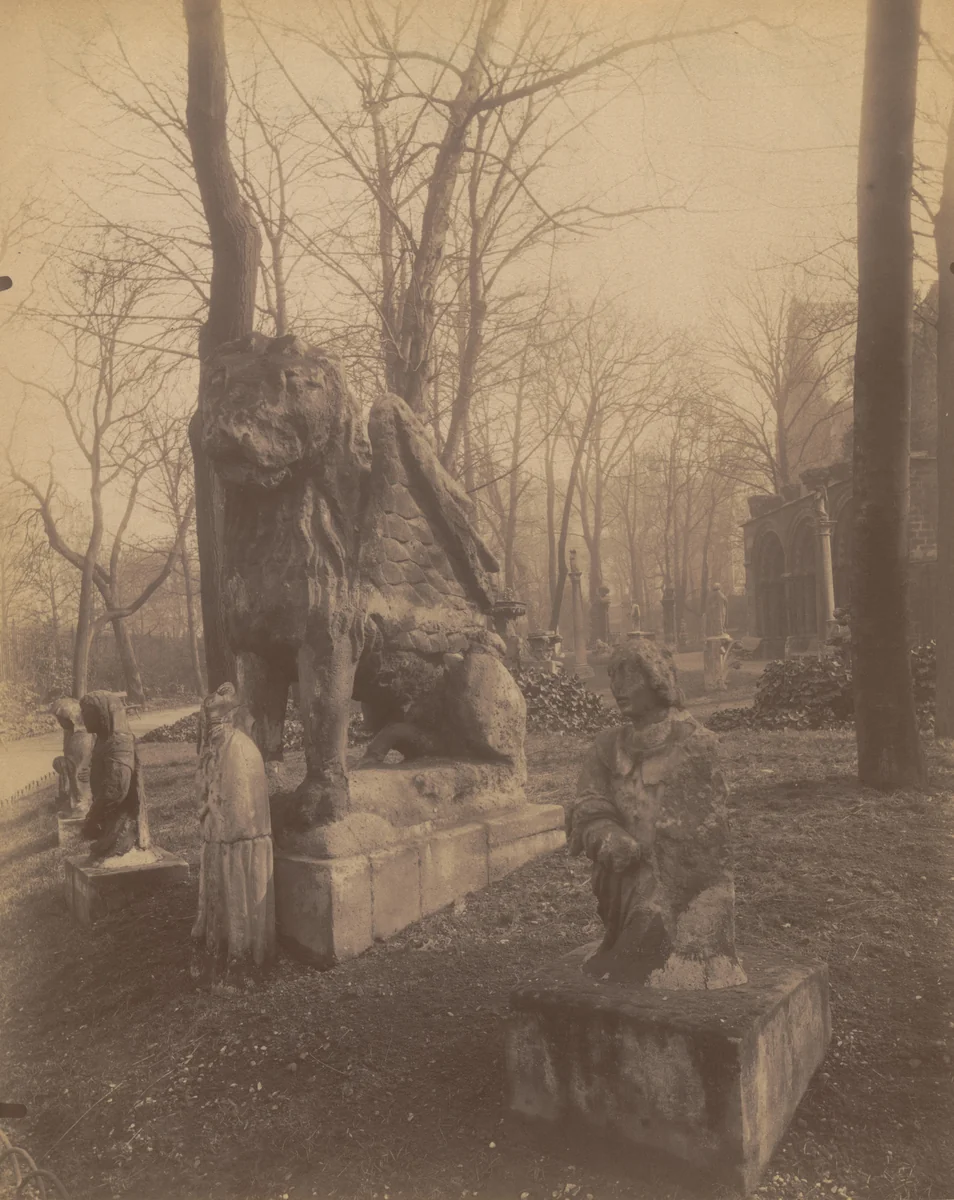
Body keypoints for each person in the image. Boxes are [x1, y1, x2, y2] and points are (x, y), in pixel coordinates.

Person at [565, 639, 746, 989]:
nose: (618, 688)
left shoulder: (696, 745)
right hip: (621, 882)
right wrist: (608, 836)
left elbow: (704, 843)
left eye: (629, 676)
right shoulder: (606, 746)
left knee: (646, 944)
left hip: (683, 887)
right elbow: (587, 807)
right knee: (629, 954)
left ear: (657, 680)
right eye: (613, 676)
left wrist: (657, 862)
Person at [192, 682, 275, 977]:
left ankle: (239, 952)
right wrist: (207, 808)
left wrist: (214, 810)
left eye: (210, 728)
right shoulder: (214, 748)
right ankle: (219, 945)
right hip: (218, 838)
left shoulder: (239, 748)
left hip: (236, 840)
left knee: (235, 880)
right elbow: (204, 788)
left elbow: (242, 815)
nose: (206, 736)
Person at [79, 691, 151, 863]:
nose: (83, 719)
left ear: (103, 714)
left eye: (88, 714)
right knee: (99, 851)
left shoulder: (119, 743)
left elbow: (117, 789)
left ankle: (121, 843)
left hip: (121, 817)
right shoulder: (103, 739)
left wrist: (93, 816)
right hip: (108, 815)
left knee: (107, 851)